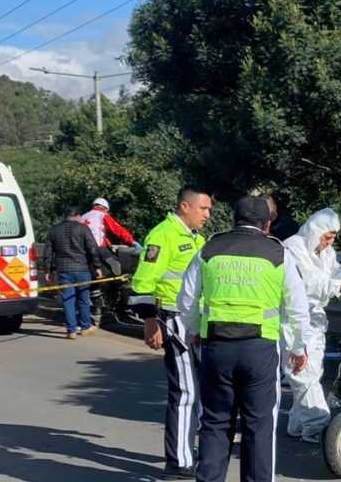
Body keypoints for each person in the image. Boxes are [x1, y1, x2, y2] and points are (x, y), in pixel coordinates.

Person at [178, 196, 311, 482]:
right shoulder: (278, 253)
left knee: (214, 422)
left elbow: (187, 300)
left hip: (217, 347)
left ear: (234, 219)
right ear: (267, 225)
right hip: (259, 350)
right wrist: (299, 348)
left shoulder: (209, 248)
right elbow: (298, 307)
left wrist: (195, 332)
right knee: (259, 426)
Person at [129, 184, 212, 480]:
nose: (207, 214)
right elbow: (143, 281)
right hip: (173, 319)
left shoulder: (196, 239)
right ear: (184, 207)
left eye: (209, 210)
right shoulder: (162, 235)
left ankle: (187, 450)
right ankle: (178, 462)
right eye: (203, 208)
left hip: (194, 321)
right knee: (186, 391)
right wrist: (150, 320)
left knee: (198, 390)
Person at [281, 208, 341, 443]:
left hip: (315, 320)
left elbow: (336, 273)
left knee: (313, 373)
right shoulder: (293, 247)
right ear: (315, 231)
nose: (329, 242)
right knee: (302, 373)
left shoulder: (327, 253)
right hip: (292, 319)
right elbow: (308, 283)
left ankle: (298, 425)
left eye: (333, 238)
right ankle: (318, 425)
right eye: (326, 236)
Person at [43, 205, 103, 339]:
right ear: (78, 216)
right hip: (82, 269)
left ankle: (71, 330)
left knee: (68, 300)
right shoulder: (83, 229)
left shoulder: (55, 230)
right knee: (83, 299)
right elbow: (92, 249)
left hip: (64, 270)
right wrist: (97, 267)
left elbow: (48, 252)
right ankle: (85, 327)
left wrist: (48, 270)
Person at [80, 197, 141, 325]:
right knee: (118, 269)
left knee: (93, 279)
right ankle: (117, 278)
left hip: (83, 251)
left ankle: (97, 308)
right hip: (100, 248)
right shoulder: (102, 215)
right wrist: (131, 241)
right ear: (105, 208)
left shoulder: (82, 217)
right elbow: (116, 229)